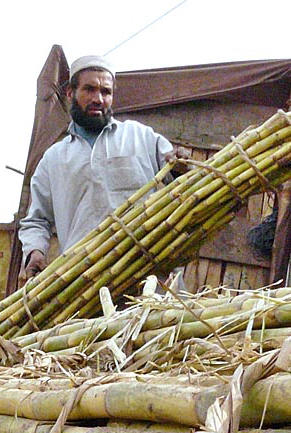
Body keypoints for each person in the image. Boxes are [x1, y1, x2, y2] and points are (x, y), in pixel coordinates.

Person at [18, 55, 184, 281]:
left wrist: (182, 167)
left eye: (106, 92)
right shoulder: (53, 159)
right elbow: (36, 220)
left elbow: (179, 183)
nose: (98, 98)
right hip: (85, 281)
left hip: (151, 275)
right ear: (70, 94)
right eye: (89, 89)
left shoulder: (141, 137)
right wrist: (35, 251)